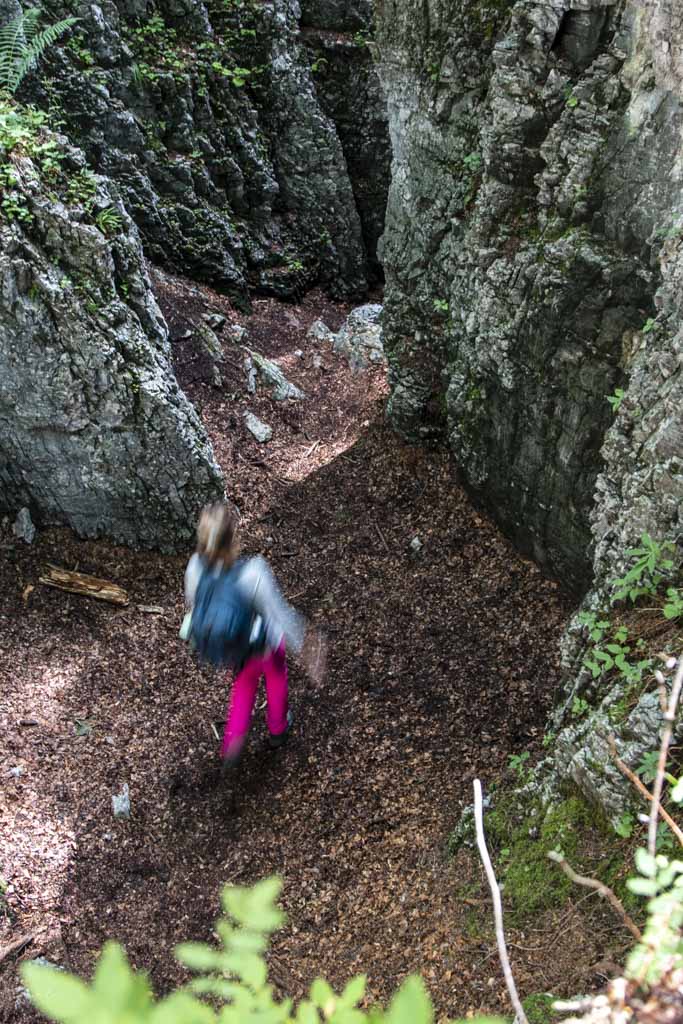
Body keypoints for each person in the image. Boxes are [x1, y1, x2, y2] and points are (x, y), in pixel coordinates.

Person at [184, 501, 325, 772]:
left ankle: (232, 743)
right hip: (265, 646)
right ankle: (278, 728)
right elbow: (277, 614)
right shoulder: (252, 573)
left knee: (243, 689)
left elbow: (196, 605)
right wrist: (305, 647)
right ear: (233, 538)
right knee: (275, 680)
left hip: (235, 648)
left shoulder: (194, 570)